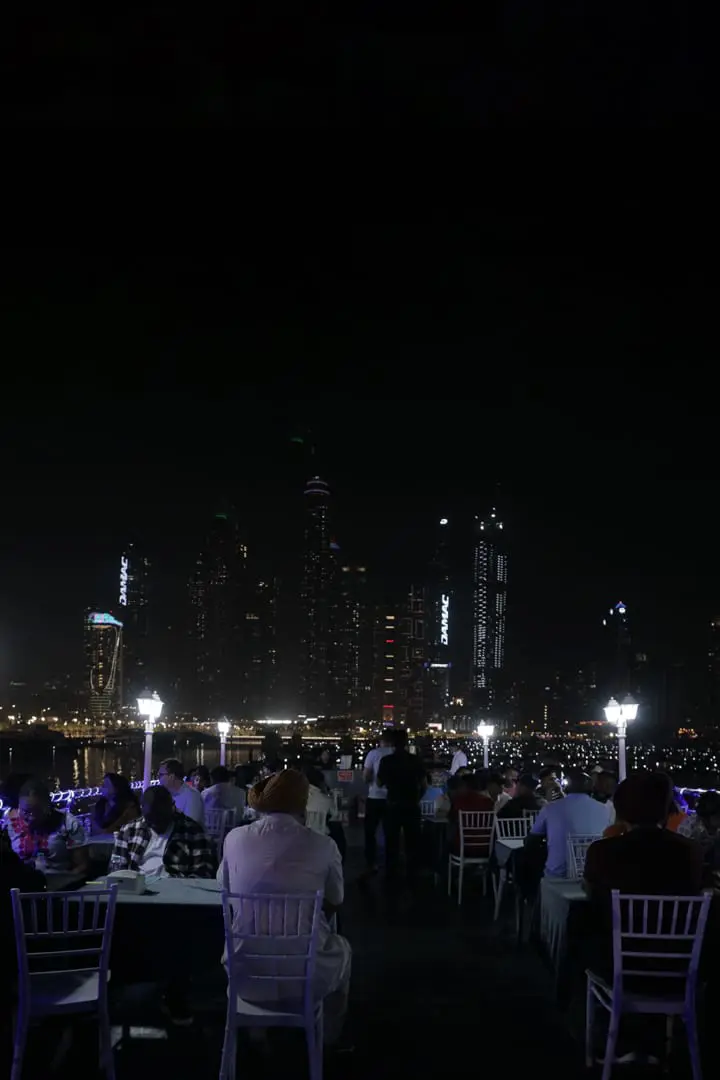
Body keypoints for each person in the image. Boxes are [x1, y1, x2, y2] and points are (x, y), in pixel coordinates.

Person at [217, 769, 351, 1044]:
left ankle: (256, 1032)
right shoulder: (324, 845)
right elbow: (336, 900)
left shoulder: (234, 839)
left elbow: (225, 889)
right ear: (302, 804)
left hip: (244, 974)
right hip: (306, 980)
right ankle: (329, 1039)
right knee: (344, 949)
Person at [584, 773, 704, 900]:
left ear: (620, 807)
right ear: (667, 808)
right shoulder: (691, 851)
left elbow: (591, 894)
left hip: (617, 919)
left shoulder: (601, 851)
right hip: (672, 919)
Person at [110, 786, 215, 878]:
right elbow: (116, 869)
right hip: (137, 888)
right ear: (142, 811)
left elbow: (204, 871)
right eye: (150, 819)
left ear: (172, 807)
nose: (156, 824)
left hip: (176, 891)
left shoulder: (192, 831)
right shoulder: (129, 830)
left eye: (161, 818)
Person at [527, 770, 613, 878]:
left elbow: (533, 838)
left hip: (557, 873)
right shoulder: (604, 810)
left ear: (566, 788)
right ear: (591, 789)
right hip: (593, 872)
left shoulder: (551, 808)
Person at [377, 728, 427, 885]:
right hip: (412, 806)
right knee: (413, 843)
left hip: (393, 805)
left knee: (391, 843)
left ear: (392, 743)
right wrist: (417, 798)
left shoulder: (386, 761)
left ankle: (391, 876)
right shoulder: (415, 760)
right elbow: (424, 785)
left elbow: (379, 783)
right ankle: (413, 876)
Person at [7, 781, 88, 875]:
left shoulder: (68, 823)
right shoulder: (10, 826)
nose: (30, 817)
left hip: (60, 883)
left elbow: (82, 866)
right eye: (25, 812)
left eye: (35, 812)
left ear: (47, 807)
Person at [362, 730, 394, 872]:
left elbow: (366, 777)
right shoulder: (396, 754)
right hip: (392, 799)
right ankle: (390, 863)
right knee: (391, 833)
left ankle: (371, 863)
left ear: (381, 740)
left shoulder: (373, 754)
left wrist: (370, 782)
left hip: (374, 797)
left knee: (370, 832)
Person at [448, 772, 494, 857]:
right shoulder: (488, 801)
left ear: (464, 786)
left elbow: (451, 818)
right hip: (485, 845)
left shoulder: (460, 801)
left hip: (463, 845)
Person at [158, 758, 205, 825]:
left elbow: (190, 825)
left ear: (172, 776)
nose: (158, 778)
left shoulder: (192, 796)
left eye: (161, 775)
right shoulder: (165, 794)